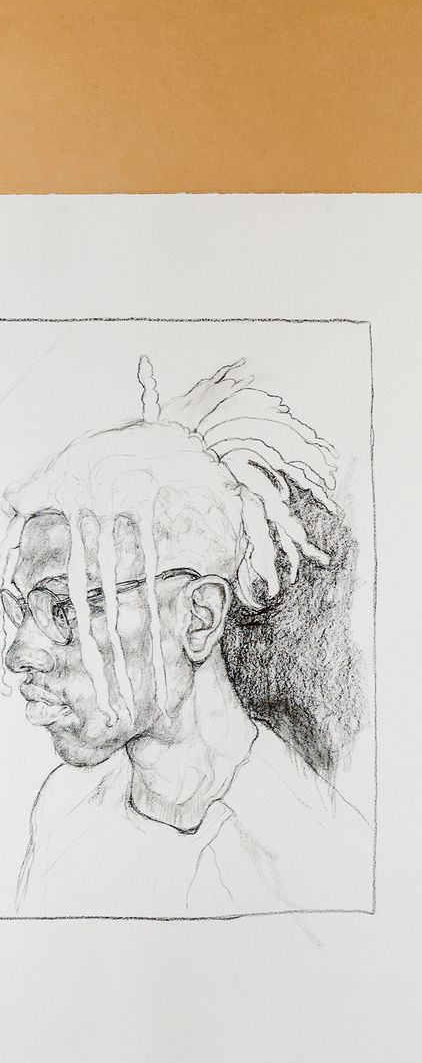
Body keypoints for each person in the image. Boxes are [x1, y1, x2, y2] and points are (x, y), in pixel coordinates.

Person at [0, 356, 369, 917]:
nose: (18, 653)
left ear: (198, 618)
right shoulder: (61, 818)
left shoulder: (319, 858)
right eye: (16, 612)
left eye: (65, 607)